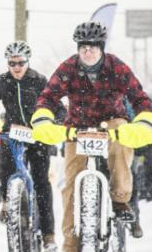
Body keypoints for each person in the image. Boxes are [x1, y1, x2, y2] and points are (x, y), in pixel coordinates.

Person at [30, 21, 152, 252]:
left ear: (102, 48)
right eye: (83, 46)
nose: (87, 51)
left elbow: (140, 98)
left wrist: (144, 120)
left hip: (112, 123)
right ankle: (71, 245)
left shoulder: (116, 66)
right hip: (78, 128)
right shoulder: (68, 67)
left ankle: (120, 200)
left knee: (122, 141)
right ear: (77, 48)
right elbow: (47, 97)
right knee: (70, 187)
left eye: (93, 46)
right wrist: (43, 117)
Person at [0, 41, 59, 251]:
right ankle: (7, 202)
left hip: (37, 136)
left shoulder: (38, 80)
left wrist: (55, 121)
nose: (16, 67)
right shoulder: (3, 80)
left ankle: (48, 233)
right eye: (12, 63)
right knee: (6, 171)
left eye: (20, 63)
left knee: (41, 183)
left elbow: (53, 104)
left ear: (28, 62)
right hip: (13, 134)